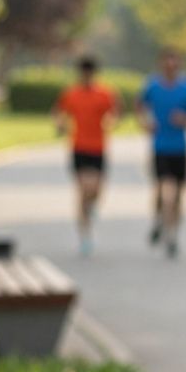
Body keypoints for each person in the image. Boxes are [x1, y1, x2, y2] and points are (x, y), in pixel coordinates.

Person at [52, 55, 120, 256]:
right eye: (84, 73)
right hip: (79, 147)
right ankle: (85, 237)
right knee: (83, 191)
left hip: (98, 148)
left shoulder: (105, 93)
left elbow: (115, 113)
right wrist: (60, 124)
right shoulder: (71, 94)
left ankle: (91, 207)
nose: (86, 76)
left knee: (96, 189)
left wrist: (112, 122)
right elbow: (58, 112)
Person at [140, 48, 186, 259]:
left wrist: (185, 118)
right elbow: (140, 106)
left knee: (177, 194)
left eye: (174, 64)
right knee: (161, 190)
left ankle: (172, 235)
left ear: (179, 65)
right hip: (160, 147)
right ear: (161, 65)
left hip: (180, 148)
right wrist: (145, 122)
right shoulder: (153, 85)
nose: (171, 68)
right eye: (167, 64)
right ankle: (159, 220)